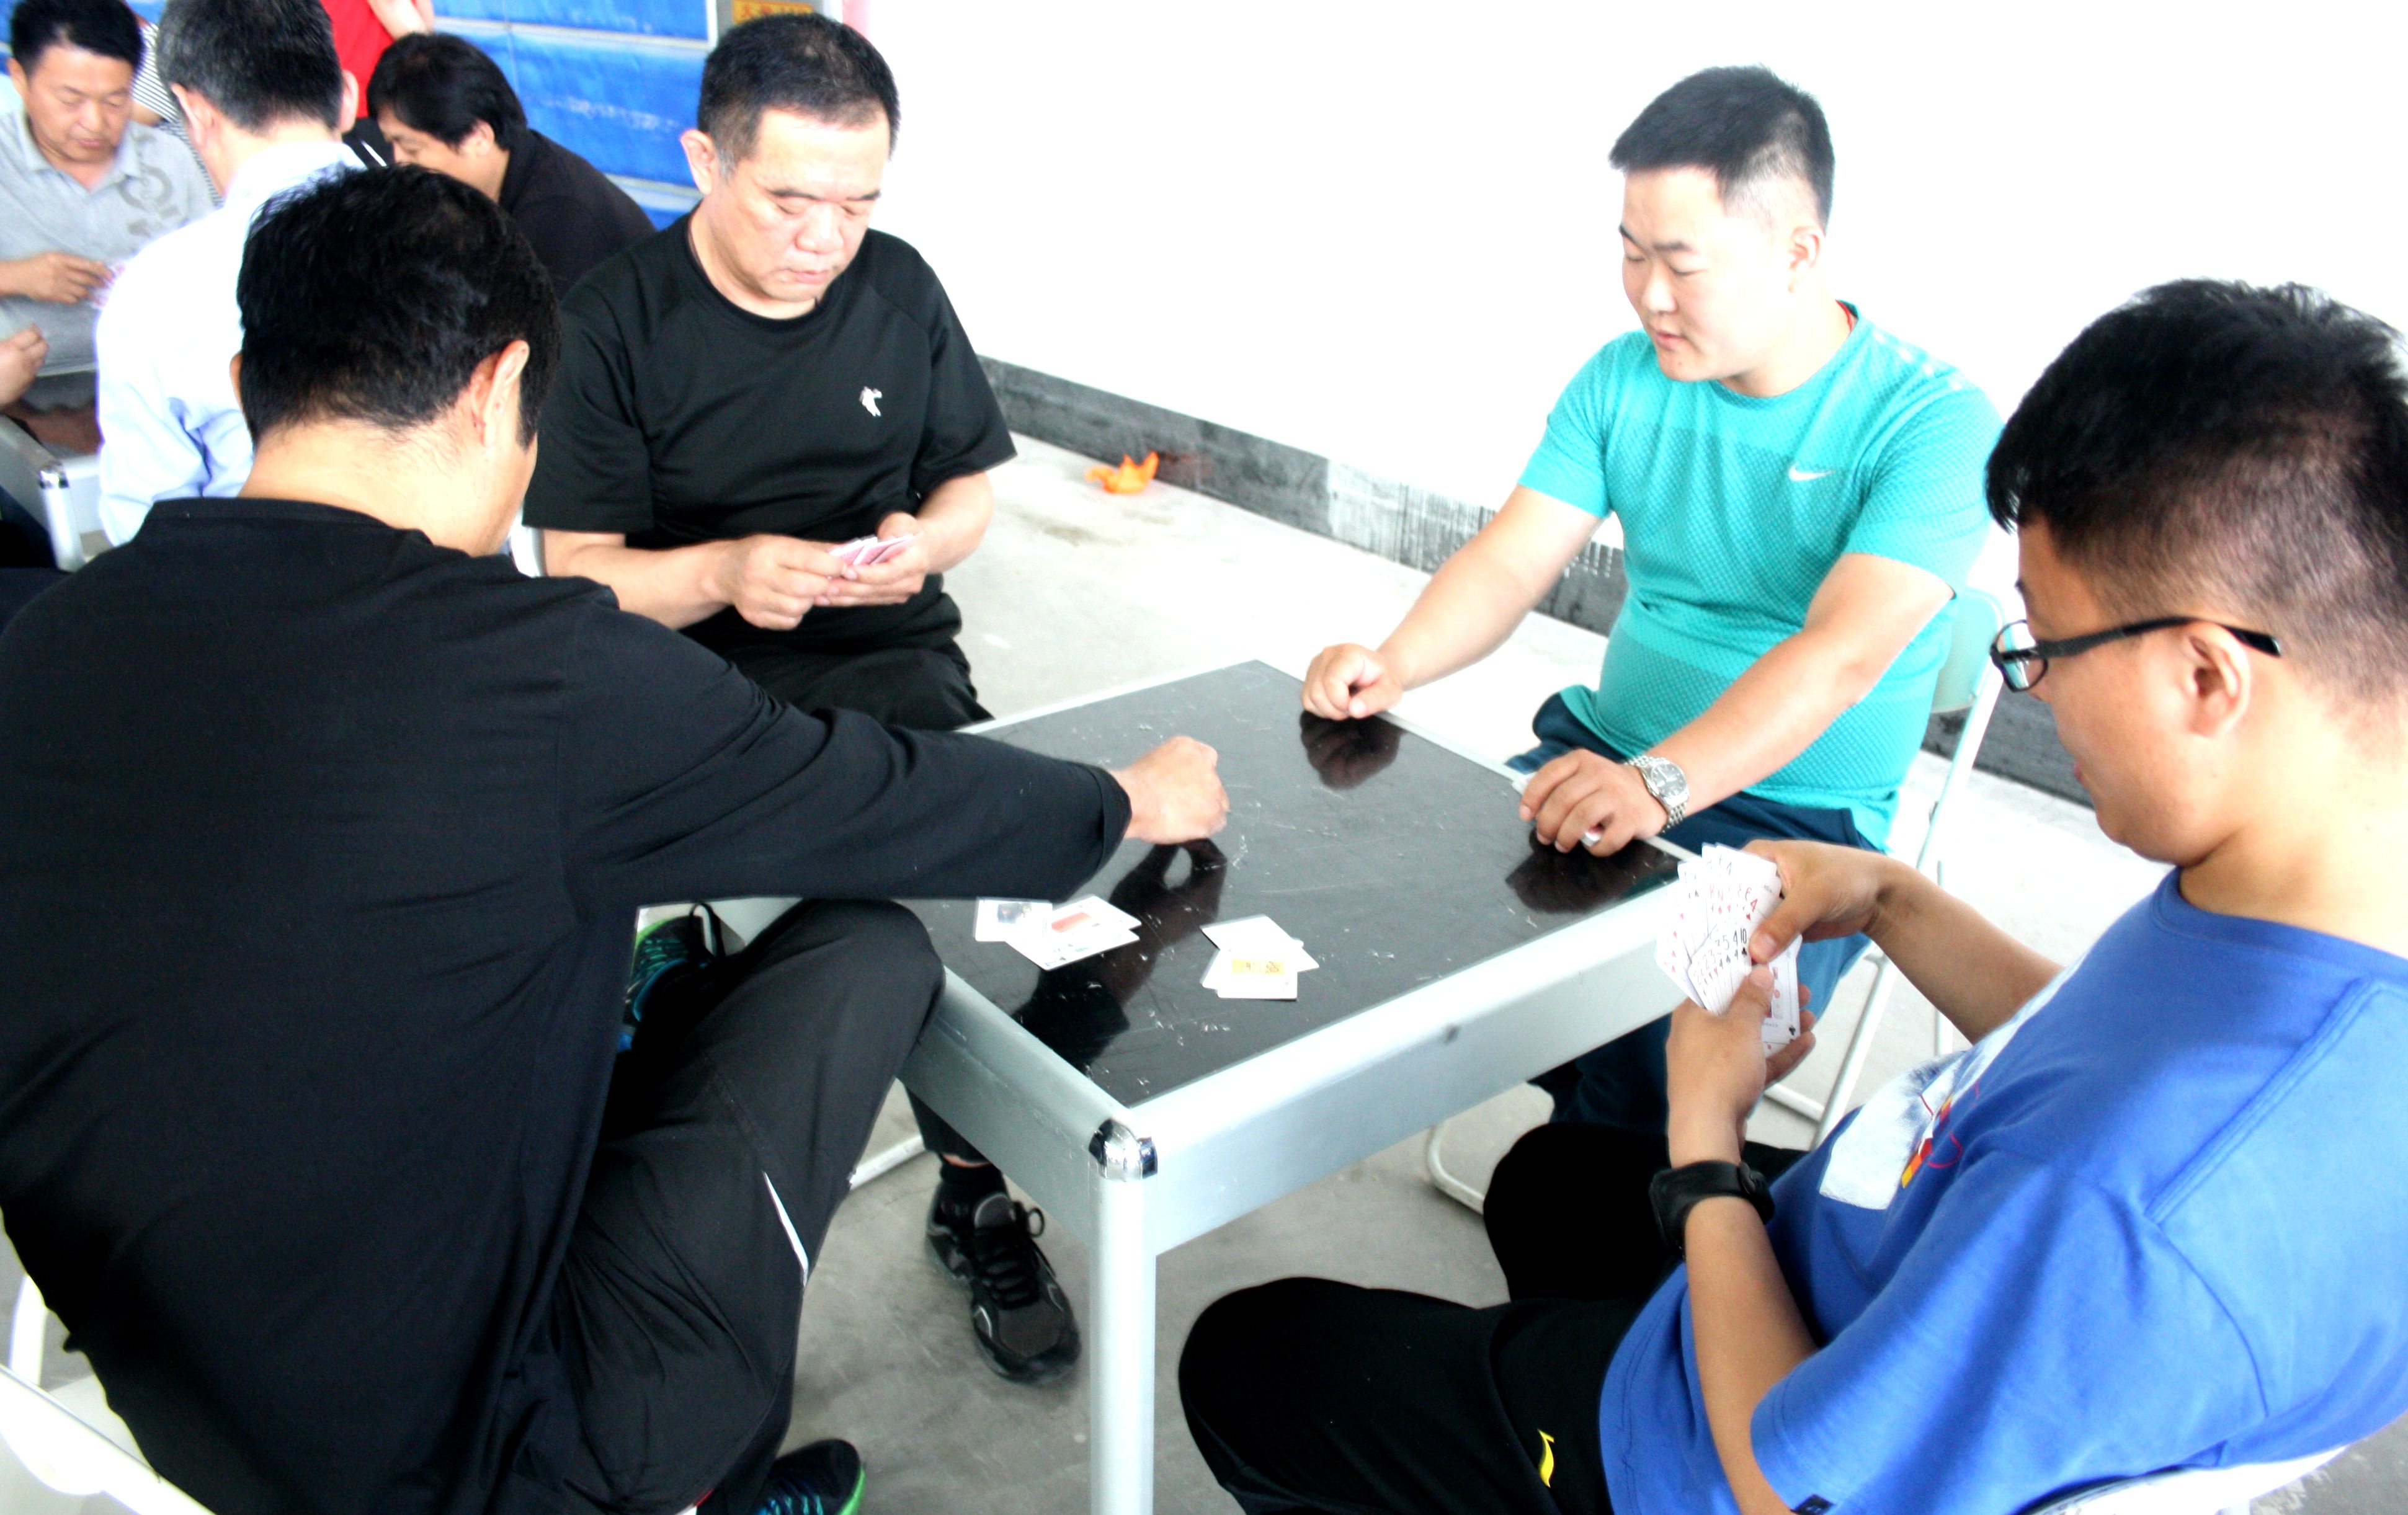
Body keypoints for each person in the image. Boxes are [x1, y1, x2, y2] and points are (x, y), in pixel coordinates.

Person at [0, 165, 1229, 1515]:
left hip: (174, 1389)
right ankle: (700, 1489)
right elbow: (875, 800)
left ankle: (641, 1031)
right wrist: (1121, 798)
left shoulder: (45, 636)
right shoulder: (536, 677)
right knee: (867, 949)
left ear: (245, 383)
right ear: (499, 388)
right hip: (480, 1468)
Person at [1183, 278, 2408, 1515]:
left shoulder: (2115, 1203)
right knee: (1554, 1179)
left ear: (2207, 675)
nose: (2031, 685)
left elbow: (1785, 1483)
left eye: (2040, 645)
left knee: (1250, 1357)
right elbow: (2089, 1040)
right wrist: (1887, 896)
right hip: (1876, 1254)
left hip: (1715, 1448)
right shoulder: (2296, 920)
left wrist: (1708, 1141)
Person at [1302, 67, 2000, 1139]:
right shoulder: (1623, 379)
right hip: (1600, 763)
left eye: (1681, 263)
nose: (1648, 295)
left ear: (1797, 254)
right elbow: (1510, 560)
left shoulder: (1930, 421)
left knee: (1659, 1048)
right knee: (1400, 917)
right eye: (1630, 252)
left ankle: (1625, 1205)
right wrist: (1395, 661)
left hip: (1794, 825)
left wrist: (1658, 783)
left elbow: (1842, 655)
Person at [523, 14, 1058, 1384]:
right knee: (857, 925)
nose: (827, 239)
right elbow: (580, 575)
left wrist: (923, 544)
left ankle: (976, 1188)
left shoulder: (898, 285)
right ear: (705, 160)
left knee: (1001, 895)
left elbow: (967, 487)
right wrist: (722, 571)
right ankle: (722, 1155)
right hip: (692, 692)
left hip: (890, 663)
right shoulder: (608, 324)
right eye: (790, 201)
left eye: (858, 203)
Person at [94, 0, 355, 545]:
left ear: (195, 112)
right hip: (457, 585)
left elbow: (148, 532)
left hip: (256, 585)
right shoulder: (460, 230)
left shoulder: (158, 289)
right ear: (347, 97)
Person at [1, 0, 213, 385]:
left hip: (150, 385)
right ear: (19, 78)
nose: (95, 123)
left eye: (116, 101)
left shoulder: (169, 160)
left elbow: (212, 280)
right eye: (71, 101)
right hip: (23, 389)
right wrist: (15, 277)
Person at [368, 32, 654, 294]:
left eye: (411, 148)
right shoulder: (492, 180)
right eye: (391, 143)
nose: (398, 161)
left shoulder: (560, 221)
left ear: (478, 137)